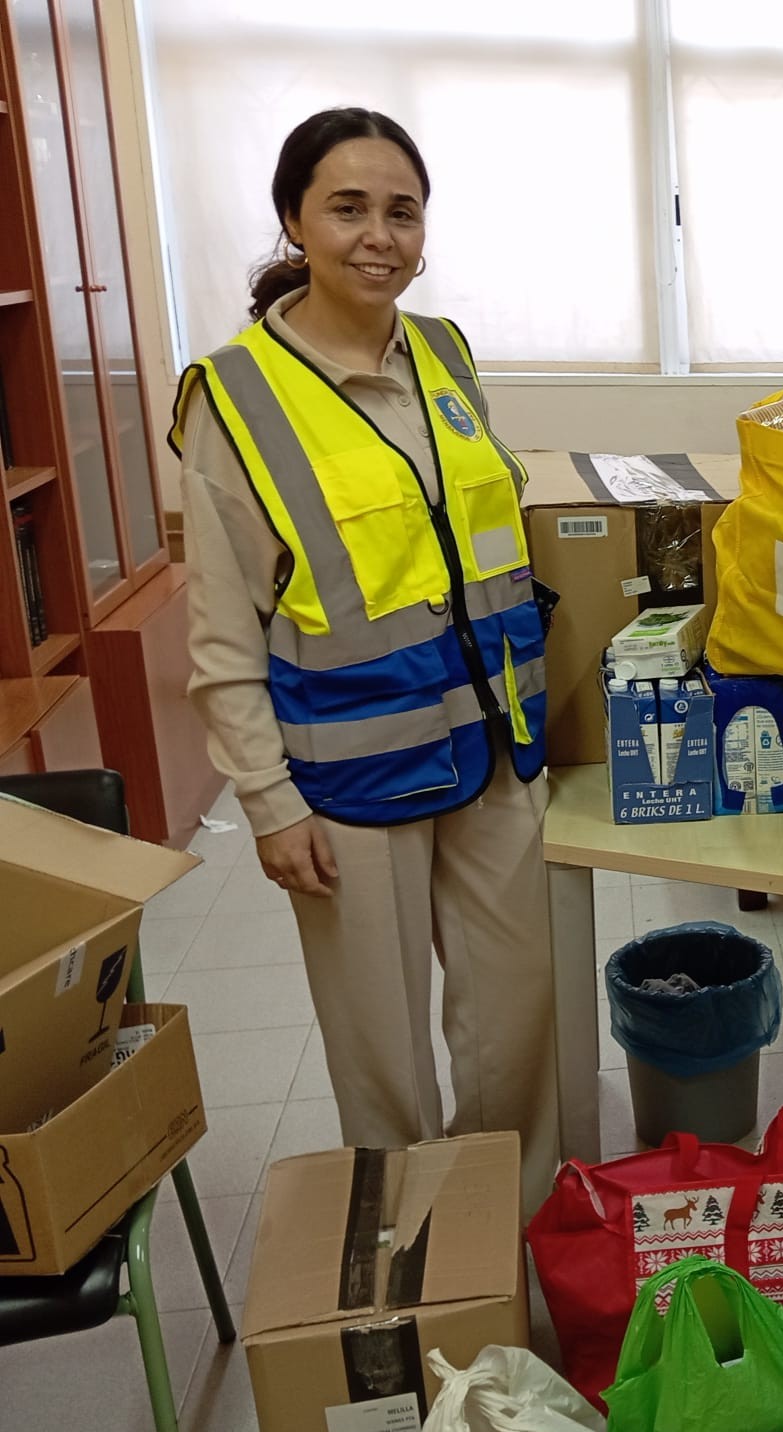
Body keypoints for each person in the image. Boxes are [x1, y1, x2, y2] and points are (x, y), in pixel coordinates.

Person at [173, 108, 561, 1216]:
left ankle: (517, 1251)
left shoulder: (443, 353)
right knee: (383, 1059)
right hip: (348, 782)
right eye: (347, 208)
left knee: (517, 1029)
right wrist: (266, 800)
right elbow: (221, 636)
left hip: (491, 753)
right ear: (294, 220)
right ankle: (421, 1263)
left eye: (402, 210)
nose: (378, 235)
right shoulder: (233, 398)